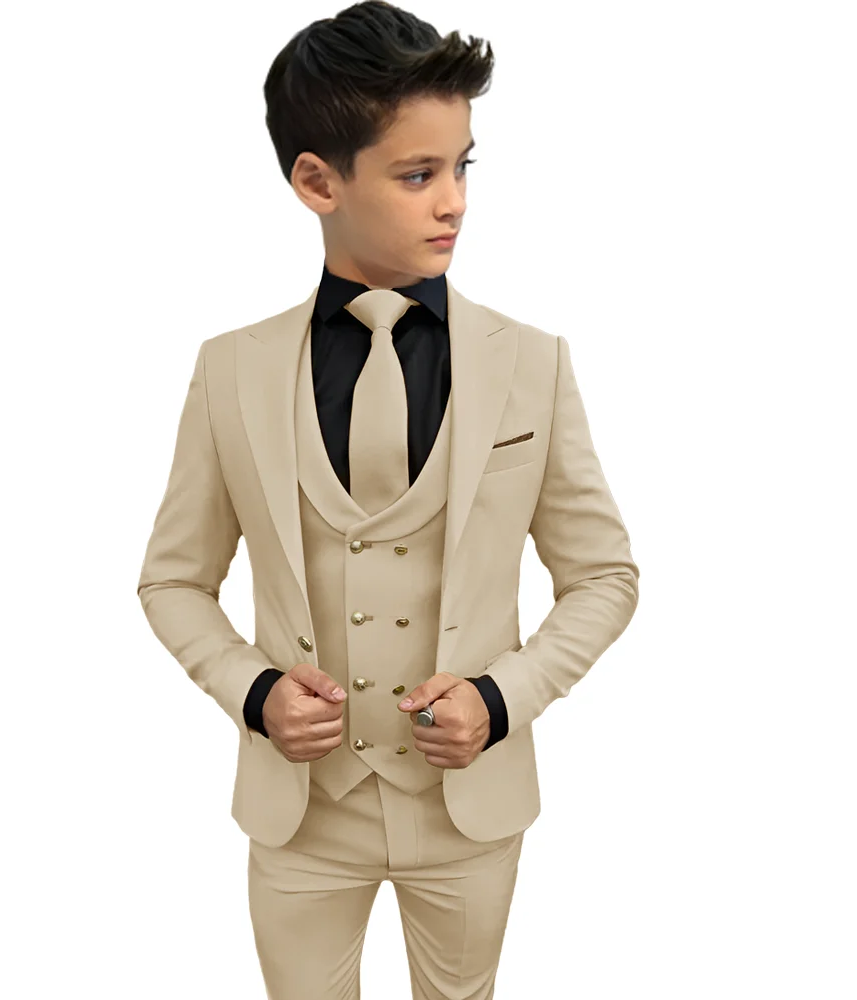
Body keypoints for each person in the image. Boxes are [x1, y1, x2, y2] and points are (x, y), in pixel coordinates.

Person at [136, 3, 639, 997]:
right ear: (316, 182)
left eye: (462, 167)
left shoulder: (531, 363)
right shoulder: (230, 370)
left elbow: (604, 577)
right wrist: (254, 692)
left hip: (469, 809)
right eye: (418, 175)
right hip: (299, 815)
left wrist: (501, 699)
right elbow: (172, 580)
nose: (454, 202)